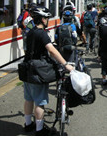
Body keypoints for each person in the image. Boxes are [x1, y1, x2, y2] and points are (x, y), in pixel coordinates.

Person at [23, 7, 74, 136]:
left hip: (27, 68)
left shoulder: (30, 32)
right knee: (40, 102)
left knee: (29, 99)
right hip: (38, 71)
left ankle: (28, 125)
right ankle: (40, 130)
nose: (47, 20)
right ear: (42, 19)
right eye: (46, 18)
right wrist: (66, 64)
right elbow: (51, 50)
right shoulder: (42, 33)